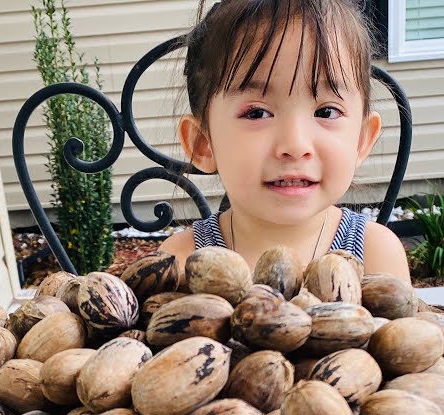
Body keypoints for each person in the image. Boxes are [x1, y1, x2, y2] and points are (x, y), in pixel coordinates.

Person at [158, 0, 411, 283]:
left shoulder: (377, 256)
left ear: (361, 141)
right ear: (203, 144)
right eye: (257, 113)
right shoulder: (182, 264)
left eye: (326, 111)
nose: (295, 145)